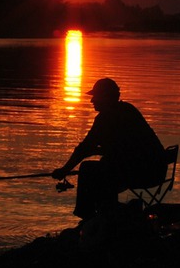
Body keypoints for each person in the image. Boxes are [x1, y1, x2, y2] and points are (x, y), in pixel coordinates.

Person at [53, 78, 168, 220]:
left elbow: (84, 148)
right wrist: (98, 151)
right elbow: (127, 147)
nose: (92, 101)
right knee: (105, 165)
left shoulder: (105, 118)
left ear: (106, 97)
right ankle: (107, 211)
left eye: (96, 96)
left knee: (88, 168)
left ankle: (87, 214)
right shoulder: (128, 109)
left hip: (142, 173)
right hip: (156, 170)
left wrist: (65, 170)